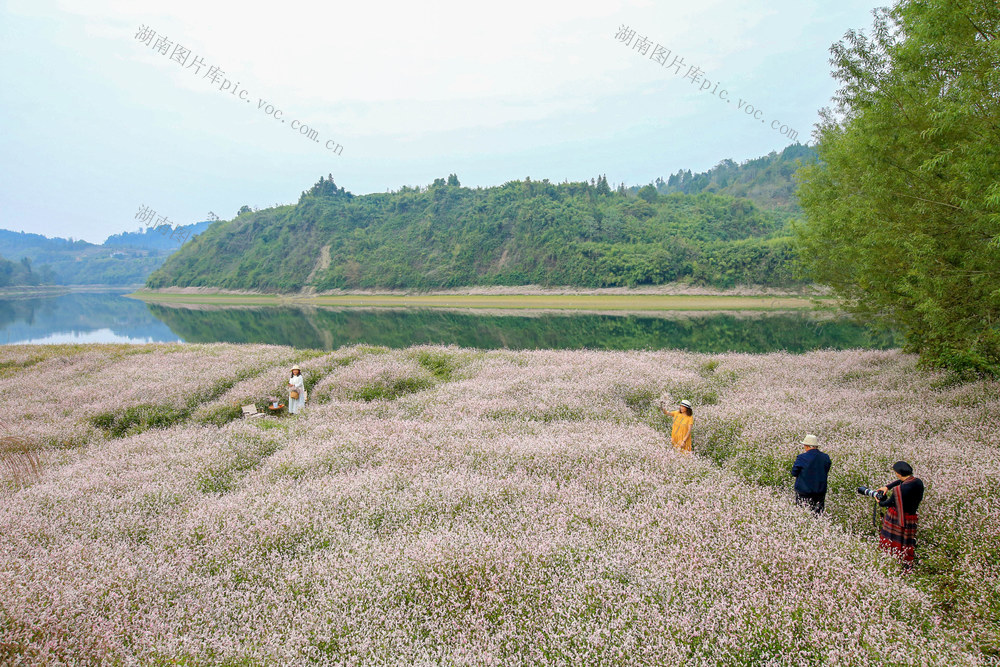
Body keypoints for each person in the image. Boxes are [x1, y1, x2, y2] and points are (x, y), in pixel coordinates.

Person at [876, 461, 924, 570]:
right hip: (910, 517)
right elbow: (901, 481)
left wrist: (878, 501)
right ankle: (906, 561)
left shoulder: (899, 490)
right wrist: (887, 487)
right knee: (906, 541)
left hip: (896, 517)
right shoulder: (917, 482)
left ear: (898, 473)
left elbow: (886, 503)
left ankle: (892, 559)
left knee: (892, 539)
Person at [791, 434, 832, 514]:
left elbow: (794, 472)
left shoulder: (802, 457)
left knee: (803, 514)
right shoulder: (825, 457)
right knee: (818, 514)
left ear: (807, 446)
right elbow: (826, 470)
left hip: (804, 492)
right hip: (820, 492)